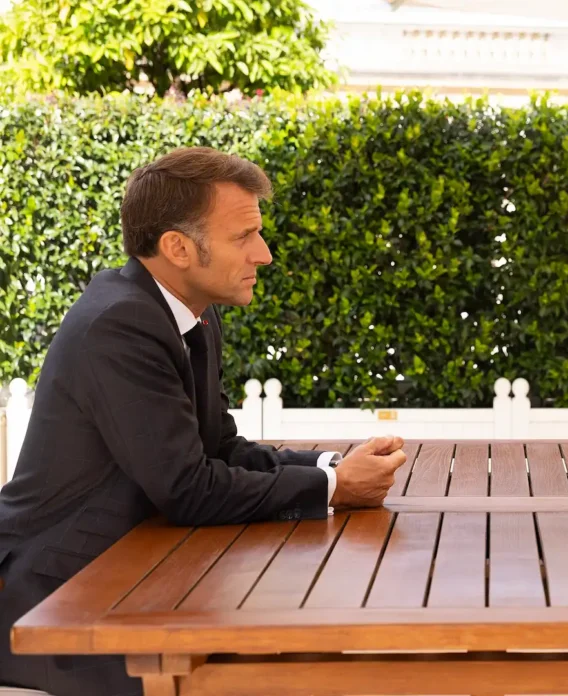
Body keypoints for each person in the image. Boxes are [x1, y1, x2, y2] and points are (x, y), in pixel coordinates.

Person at [0, 147, 408, 696]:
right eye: (244, 236)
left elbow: (220, 448)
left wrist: (334, 465)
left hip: (147, 574)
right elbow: (189, 489)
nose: (263, 254)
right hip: (62, 597)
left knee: (311, 652)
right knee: (285, 672)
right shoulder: (121, 324)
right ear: (178, 248)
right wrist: (335, 488)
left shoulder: (187, 310)